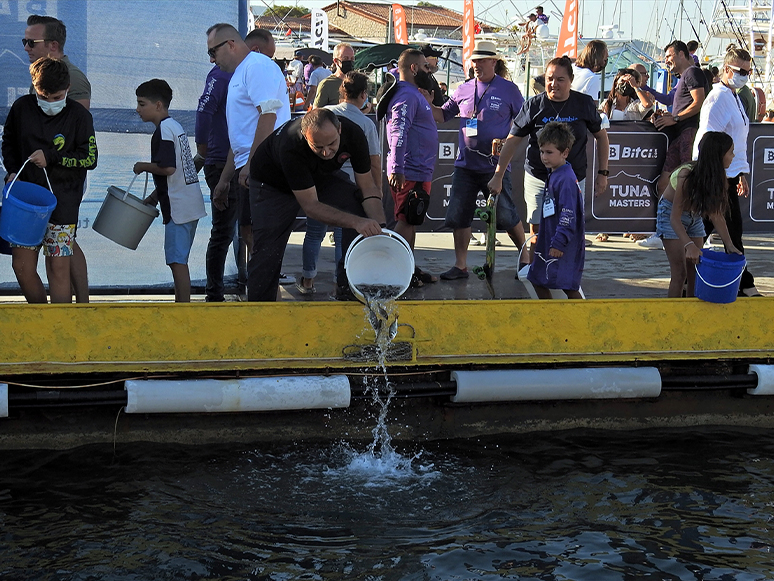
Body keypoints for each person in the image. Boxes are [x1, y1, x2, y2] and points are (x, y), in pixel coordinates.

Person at [248, 108, 386, 301]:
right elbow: (311, 207)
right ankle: (258, 311)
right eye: (318, 147)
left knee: (356, 204)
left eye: (331, 144)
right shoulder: (291, 144)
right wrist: (356, 222)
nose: (326, 152)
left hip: (318, 176)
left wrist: (380, 228)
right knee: (268, 250)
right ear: (305, 136)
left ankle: (350, 287)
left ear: (339, 129)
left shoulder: (354, 133)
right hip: (272, 183)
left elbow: (367, 187)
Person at [488, 56, 609, 265]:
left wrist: (603, 174)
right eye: (550, 78)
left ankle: (566, 271)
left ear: (571, 80)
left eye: (560, 79)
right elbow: (512, 141)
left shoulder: (583, 103)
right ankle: (537, 270)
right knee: (537, 228)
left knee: (568, 226)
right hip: (538, 176)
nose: (554, 84)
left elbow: (602, 137)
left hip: (572, 178)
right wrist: (498, 175)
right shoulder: (534, 105)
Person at [1, 57, 97, 304]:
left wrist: (52, 157)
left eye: (57, 97)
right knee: (21, 267)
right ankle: (42, 316)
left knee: (58, 269)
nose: (51, 103)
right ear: (34, 88)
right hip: (26, 204)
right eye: (44, 97)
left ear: (67, 89)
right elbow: (8, 142)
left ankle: (61, 325)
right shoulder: (22, 108)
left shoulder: (80, 117)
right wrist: (12, 171)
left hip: (63, 203)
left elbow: (89, 158)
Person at [430, 39, 526, 280]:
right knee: (459, 214)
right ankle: (460, 265)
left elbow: (524, 122)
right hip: (465, 165)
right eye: (474, 61)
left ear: (493, 62)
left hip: (495, 167)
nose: (476, 64)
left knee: (505, 214)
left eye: (481, 60)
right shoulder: (463, 89)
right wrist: (423, 100)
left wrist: (509, 142)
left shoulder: (508, 89)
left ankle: (525, 258)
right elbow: (442, 115)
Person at [206, 24, 291, 288]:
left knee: (260, 237)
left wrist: (252, 165)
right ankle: (261, 296)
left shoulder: (257, 66)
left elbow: (269, 115)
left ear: (230, 44)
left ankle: (265, 299)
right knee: (248, 233)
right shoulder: (240, 74)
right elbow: (241, 138)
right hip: (253, 165)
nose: (211, 59)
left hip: (266, 167)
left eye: (213, 51)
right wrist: (224, 180)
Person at [295, 72, 383, 295]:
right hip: (351, 186)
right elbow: (374, 164)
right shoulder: (365, 123)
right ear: (364, 94)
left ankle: (307, 280)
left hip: (320, 184)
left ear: (341, 92)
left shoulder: (324, 115)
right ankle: (341, 281)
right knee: (345, 234)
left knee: (314, 233)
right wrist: (377, 196)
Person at [23, 14, 91, 302]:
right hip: (38, 174)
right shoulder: (39, 73)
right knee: (65, 243)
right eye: (24, 41)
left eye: (31, 41)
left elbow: (76, 132)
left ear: (52, 45)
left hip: (63, 177)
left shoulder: (73, 78)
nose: (26, 46)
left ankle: (82, 305)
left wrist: (50, 157)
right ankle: (74, 308)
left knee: (63, 245)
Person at [693, 45, 761, 297]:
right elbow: (709, 140)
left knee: (708, 228)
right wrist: (716, 177)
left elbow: (736, 140)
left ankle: (695, 275)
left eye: (748, 71)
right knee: (728, 229)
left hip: (730, 173)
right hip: (719, 175)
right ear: (726, 69)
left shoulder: (734, 96)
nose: (744, 75)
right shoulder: (719, 98)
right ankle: (744, 283)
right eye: (740, 71)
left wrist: (741, 172)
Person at [134, 79, 206, 303]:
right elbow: (179, 169)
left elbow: (168, 168)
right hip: (189, 203)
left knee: (177, 261)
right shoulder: (174, 126)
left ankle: (182, 307)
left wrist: (143, 166)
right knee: (179, 259)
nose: (137, 109)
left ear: (158, 105)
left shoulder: (163, 131)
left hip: (178, 207)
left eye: (142, 104)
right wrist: (154, 197)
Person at [658, 131, 741, 297]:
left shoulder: (718, 177)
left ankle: (691, 317)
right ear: (718, 154)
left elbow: (716, 215)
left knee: (696, 272)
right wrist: (689, 246)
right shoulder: (686, 175)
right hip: (670, 215)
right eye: (730, 151)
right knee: (680, 274)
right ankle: (671, 318)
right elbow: (675, 219)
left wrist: (730, 245)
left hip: (694, 217)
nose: (734, 155)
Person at [384, 48, 439, 286]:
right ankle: (394, 272)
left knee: (412, 219)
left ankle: (408, 268)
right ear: (414, 68)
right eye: (426, 66)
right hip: (410, 170)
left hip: (416, 169)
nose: (430, 70)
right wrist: (397, 166)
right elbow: (398, 129)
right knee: (407, 219)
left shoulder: (413, 94)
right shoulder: (406, 95)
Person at [195, 62, 248, 302]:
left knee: (245, 230)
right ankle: (214, 294)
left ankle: (244, 285)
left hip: (240, 162)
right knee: (223, 232)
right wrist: (204, 150)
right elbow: (203, 111)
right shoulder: (221, 74)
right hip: (222, 162)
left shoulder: (238, 74)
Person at [527, 122, 584, 299]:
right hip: (549, 239)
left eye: (549, 152)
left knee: (568, 285)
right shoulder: (554, 174)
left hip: (562, 244)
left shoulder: (565, 179)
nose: (544, 157)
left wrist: (559, 241)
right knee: (536, 278)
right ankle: (551, 316)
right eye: (542, 151)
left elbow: (568, 214)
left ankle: (584, 319)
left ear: (565, 153)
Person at [313, 43, 355, 107]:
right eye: (345, 58)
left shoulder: (358, 82)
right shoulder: (327, 84)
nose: (349, 61)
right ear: (336, 61)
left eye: (352, 58)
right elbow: (317, 112)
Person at [571, 40, 608, 104]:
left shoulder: (571, 68)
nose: (605, 62)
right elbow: (592, 107)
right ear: (599, 58)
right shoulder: (592, 78)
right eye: (605, 59)